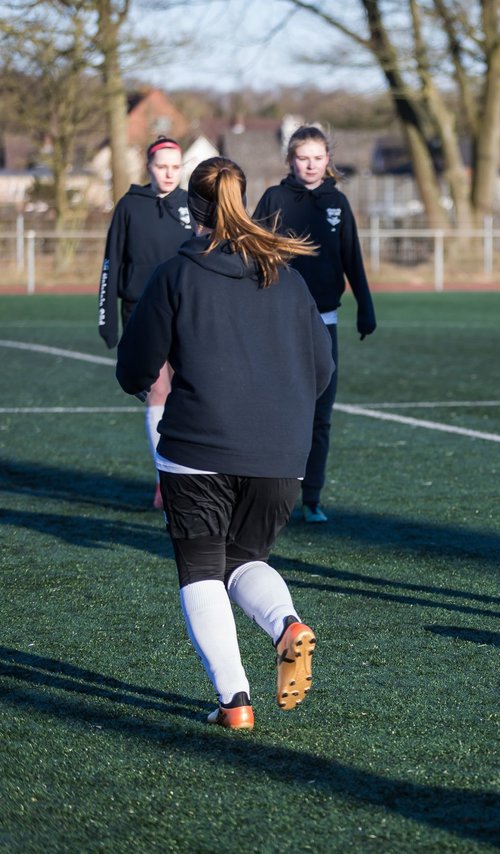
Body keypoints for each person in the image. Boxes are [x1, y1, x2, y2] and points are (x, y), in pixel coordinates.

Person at [116, 157, 335, 731]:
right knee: (244, 560)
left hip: (198, 448)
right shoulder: (284, 276)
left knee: (201, 570)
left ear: (194, 209)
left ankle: (234, 700)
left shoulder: (176, 274)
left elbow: (135, 366)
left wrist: (144, 381)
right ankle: (285, 622)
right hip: (283, 457)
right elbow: (323, 368)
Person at [253, 125, 376, 524]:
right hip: (280, 323)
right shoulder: (274, 198)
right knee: (280, 412)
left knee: (321, 414)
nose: (310, 165)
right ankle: (274, 495)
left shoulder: (337, 201)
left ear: (328, 161)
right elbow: (254, 253)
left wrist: (365, 305)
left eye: (317, 158)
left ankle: (313, 498)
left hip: (325, 322)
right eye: (302, 158)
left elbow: (350, 257)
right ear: (290, 160)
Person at [97, 136, 193, 509]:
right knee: (157, 391)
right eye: (161, 166)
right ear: (149, 167)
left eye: (175, 166)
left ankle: (189, 475)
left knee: (189, 393)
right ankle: (163, 478)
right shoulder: (129, 206)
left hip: (186, 310)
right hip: (140, 310)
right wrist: (106, 320)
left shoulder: (191, 205)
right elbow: (112, 262)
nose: (168, 173)